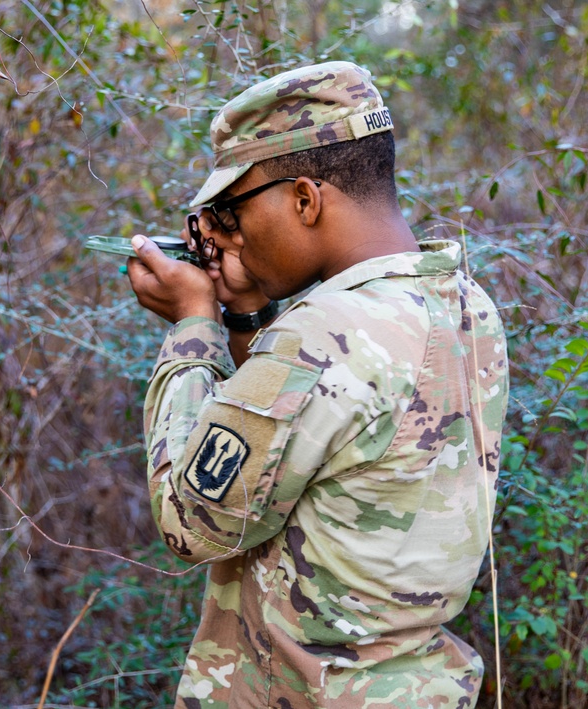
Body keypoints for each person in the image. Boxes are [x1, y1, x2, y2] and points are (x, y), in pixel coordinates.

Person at [126, 60, 509, 708]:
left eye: (232, 208)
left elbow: (189, 519)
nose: (230, 234)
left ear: (304, 199)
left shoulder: (325, 335)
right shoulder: (467, 306)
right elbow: (290, 446)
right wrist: (245, 315)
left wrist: (194, 326)